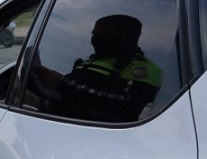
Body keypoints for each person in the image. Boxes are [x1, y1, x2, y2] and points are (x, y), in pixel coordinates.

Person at [33, 14, 162, 122]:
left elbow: (126, 108)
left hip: (97, 138)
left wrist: (62, 84)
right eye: (94, 34)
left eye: (102, 36)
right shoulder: (88, 61)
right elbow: (67, 92)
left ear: (126, 38)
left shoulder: (143, 68)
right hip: (56, 124)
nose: (95, 39)